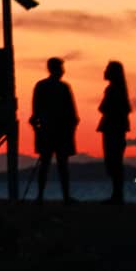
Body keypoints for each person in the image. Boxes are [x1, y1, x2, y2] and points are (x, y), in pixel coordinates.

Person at [29, 57, 78, 204]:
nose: (63, 71)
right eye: (61, 68)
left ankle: (40, 196)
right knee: (61, 165)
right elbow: (72, 113)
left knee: (45, 164)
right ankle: (65, 197)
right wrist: (71, 127)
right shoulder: (63, 88)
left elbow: (35, 112)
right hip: (60, 132)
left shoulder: (41, 86)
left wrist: (37, 127)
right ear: (56, 69)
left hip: (47, 130)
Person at [98, 60, 132, 204]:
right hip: (115, 128)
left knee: (114, 162)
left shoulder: (113, 90)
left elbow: (103, 107)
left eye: (107, 69)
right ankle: (117, 195)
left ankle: (117, 195)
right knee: (115, 162)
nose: (104, 71)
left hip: (112, 129)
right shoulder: (118, 89)